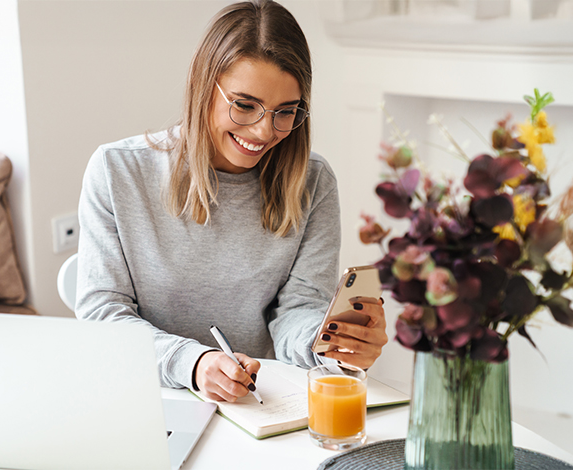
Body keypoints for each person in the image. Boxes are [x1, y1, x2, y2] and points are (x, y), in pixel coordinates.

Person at [75, 0, 387, 403]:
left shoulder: (313, 182)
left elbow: (297, 309)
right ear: (203, 85)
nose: (263, 130)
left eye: (285, 112)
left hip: (259, 404)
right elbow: (102, 314)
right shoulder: (117, 171)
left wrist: (326, 342)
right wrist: (193, 363)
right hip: (146, 399)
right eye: (244, 105)